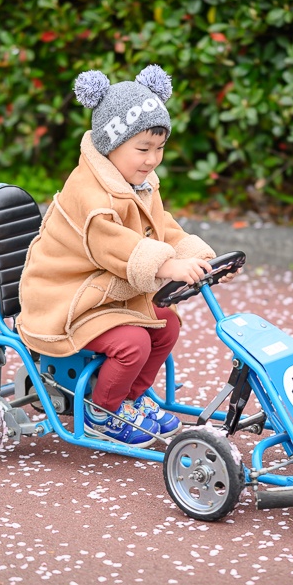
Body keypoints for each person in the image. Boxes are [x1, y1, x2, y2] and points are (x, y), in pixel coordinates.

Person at [16, 64, 222, 448]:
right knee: (133, 343)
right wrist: (166, 265)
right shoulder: (90, 195)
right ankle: (103, 409)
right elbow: (115, 246)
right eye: (142, 149)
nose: (152, 159)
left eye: (159, 148)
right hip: (66, 297)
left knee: (166, 324)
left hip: (104, 291)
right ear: (111, 145)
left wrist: (198, 257)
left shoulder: (137, 182)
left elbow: (162, 227)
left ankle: (130, 398)